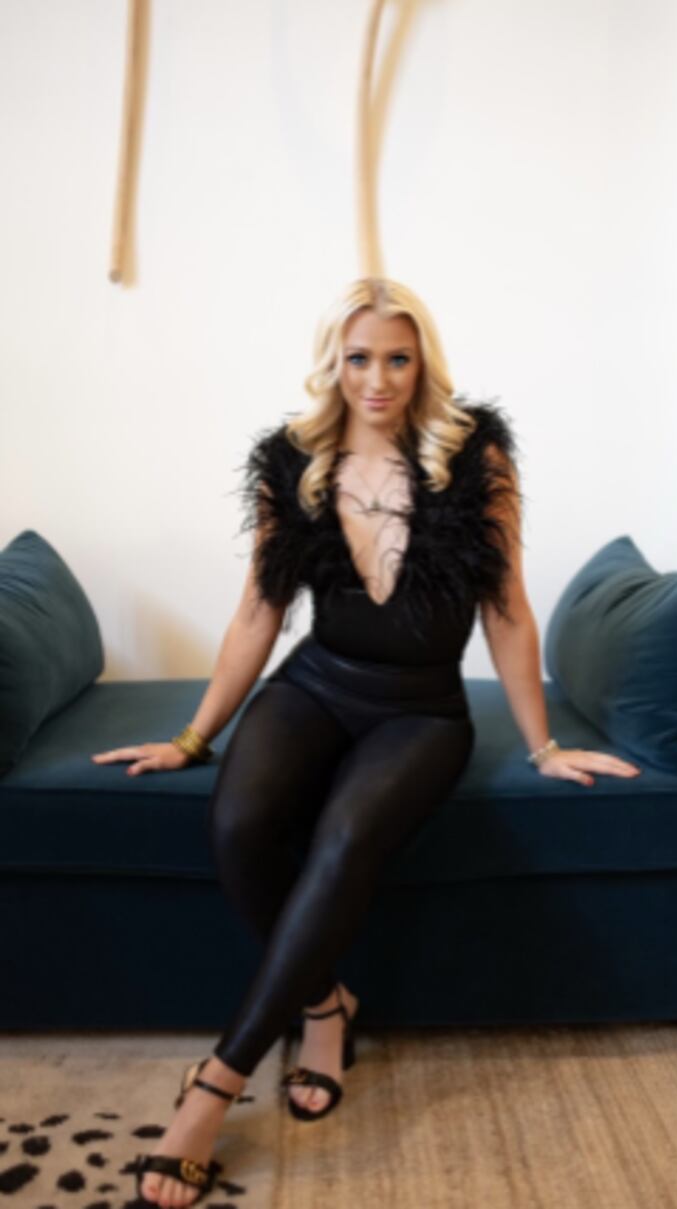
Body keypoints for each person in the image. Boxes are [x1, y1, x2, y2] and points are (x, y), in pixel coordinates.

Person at [92, 276, 641, 1208]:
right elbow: (260, 610)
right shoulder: (291, 459)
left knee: (344, 836)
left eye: (397, 358)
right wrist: (192, 734)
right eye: (358, 358)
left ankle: (216, 1083)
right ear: (332, 363)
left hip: (422, 708)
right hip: (316, 684)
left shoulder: (475, 453)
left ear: (422, 361)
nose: (378, 379)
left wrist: (545, 745)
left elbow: (506, 607)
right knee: (239, 822)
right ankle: (324, 1003)